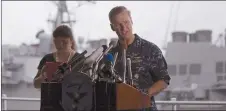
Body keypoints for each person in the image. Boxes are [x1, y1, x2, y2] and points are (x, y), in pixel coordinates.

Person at [108, 6, 171, 111]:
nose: (124, 28)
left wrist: (144, 94)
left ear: (131, 20)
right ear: (112, 27)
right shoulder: (110, 53)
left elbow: (164, 80)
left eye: (126, 22)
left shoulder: (150, 49)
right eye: (119, 25)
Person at [33, 25, 77, 89]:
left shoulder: (80, 59)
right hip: (50, 97)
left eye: (64, 42)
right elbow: (35, 85)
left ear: (71, 41)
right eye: (58, 42)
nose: (61, 45)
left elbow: (88, 84)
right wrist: (42, 78)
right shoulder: (47, 59)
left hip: (72, 98)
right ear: (54, 42)